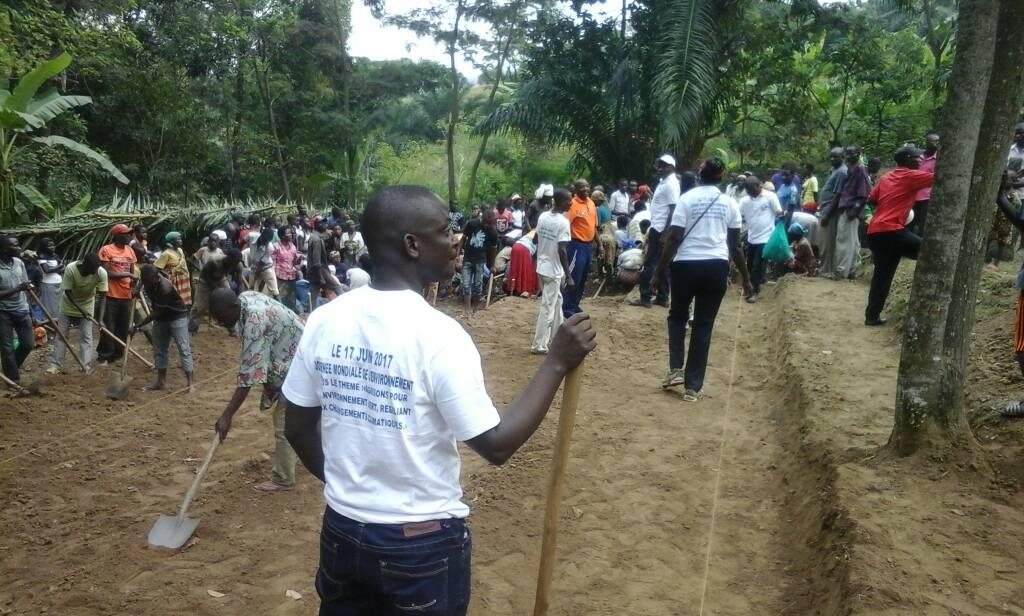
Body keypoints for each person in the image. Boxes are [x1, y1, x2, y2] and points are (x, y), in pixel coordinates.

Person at [280, 185, 596, 614]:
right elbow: (497, 445)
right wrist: (556, 363)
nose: (455, 242)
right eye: (445, 232)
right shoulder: (438, 335)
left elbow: (297, 426)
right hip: (419, 545)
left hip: (342, 531)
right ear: (413, 244)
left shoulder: (324, 320)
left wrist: (351, 491)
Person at [652, 158, 752, 401]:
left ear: (700, 174)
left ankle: (676, 368)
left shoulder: (687, 199)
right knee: (703, 325)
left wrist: (658, 272)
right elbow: (735, 246)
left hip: (685, 265)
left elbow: (674, 237)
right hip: (716, 266)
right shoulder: (730, 203)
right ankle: (693, 387)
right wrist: (747, 280)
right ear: (722, 175)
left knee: (677, 316)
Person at [211, 288, 304, 492]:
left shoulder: (255, 320)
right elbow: (260, 355)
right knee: (299, 416)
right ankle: (309, 454)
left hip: (298, 362)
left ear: (233, 307)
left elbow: (248, 376)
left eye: (220, 317)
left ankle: (283, 478)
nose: (219, 322)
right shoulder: (244, 299)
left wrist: (227, 415)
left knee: (284, 422)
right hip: (289, 352)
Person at [863, 146, 934, 326]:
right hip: (892, 230)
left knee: (882, 275)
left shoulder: (886, 177)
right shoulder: (910, 176)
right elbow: (940, 177)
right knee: (931, 252)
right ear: (908, 159)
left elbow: (871, 199)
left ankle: (872, 316)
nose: (921, 161)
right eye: (918, 158)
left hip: (875, 232)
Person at [132, 264, 194, 392]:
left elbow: (156, 313)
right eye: (145, 281)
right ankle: (161, 382)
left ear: (156, 278)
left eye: (149, 282)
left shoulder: (165, 287)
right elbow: (142, 280)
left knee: (183, 348)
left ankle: (190, 384)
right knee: (159, 349)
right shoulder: (147, 278)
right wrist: (137, 289)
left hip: (177, 316)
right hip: (161, 319)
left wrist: (137, 326)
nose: (147, 284)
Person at [47, 252, 108, 374]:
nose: (95, 271)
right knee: (61, 335)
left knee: (86, 336)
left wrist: (101, 319)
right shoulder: (71, 269)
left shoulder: (101, 272)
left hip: (87, 304)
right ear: (85, 265)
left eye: (97, 268)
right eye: (93, 268)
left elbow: (103, 297)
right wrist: (81, 310)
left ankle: (85, 365)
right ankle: (55, 366)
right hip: (68, 305)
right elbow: (68, 293)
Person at [531, 188, 574, 355]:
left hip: (542, 266)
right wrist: (569, 276)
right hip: (553, 271)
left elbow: (535, 238)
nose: (571, 203)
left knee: (557, 302)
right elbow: (562, 251)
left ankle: (558, 338)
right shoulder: (563, 223)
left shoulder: (543, 217)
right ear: (560, 201)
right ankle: (539, 345)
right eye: (569, 200)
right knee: (547, 308)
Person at [632, 155, 679, 308]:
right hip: (657, 226)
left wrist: (666, 232)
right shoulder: (663, 182)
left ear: (671, 167)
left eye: (664, 165)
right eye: (659, 165)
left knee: (651, 263)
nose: (660, 168)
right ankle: (663, 297)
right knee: (662, 263)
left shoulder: (671, 184)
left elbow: (673, 209)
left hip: (660, 229)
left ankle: (645, 296)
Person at [96, 224, 138, 366]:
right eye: (126, 234)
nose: (129, 236)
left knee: (123, 327)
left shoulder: (130, 251)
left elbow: (132, 272)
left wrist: (133, 284)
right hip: (110, 295)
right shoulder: (106, 250)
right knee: (109, 327)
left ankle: (118, 353)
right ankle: (104, 355)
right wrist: (127, 274)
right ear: (117, 236)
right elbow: (107, 273)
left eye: (129, 234)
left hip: (126, 295)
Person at [738, 175, 782, 303]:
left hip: (766, 237)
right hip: (751, 237)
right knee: (750, 265)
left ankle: (754, 291)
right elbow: (738, 214)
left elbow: (779, 212)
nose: (749, 192)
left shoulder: (770, 197)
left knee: (758, 266)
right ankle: (752, 286)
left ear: (758, 186)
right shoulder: (744, 201)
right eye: (747, 190)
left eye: (751, 189)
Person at [829, 146, 869, 280]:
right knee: (852, 241)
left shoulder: (860, 169)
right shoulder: (850, 169)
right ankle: (851, 269)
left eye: (852, 154)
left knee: (844, 240)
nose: (849, 156)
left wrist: (854, 210)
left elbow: (864, 194)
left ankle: (841, 271)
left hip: (850, 209)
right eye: (848, 154)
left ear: (858, 154)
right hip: (846, 208)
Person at [563, 178, 602, 317]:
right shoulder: (572, 204)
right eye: (581, 187)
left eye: (587, 186)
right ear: (576, 189)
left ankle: (574, 304)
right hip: (576, 245)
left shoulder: (591, 203)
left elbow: (594, 226)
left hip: (588, 246)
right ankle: (567, 306)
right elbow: (565, 224)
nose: (585, 189)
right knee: (574, 276)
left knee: (583, 276)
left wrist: (600, 244)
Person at [0, 235, 34, 385]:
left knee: (28, 344)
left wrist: (31, 310)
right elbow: (19, 287)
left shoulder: (19, 263)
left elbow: (26, 287)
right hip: (3, 312)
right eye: (15, 245)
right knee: (7, 347)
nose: (19, 248)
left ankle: (11, 368)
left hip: (21, 309)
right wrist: (17, 288)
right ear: (4, 249)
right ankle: (13, 380)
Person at [190, 248, 244, 334]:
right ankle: (192, 327)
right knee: (199, 306)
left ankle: (231, 326)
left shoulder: (238, 265)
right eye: (235, 261)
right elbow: (205, 276)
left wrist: (241, 296)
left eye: (238, 261)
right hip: (205, 281)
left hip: (221, 279)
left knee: (231, 303)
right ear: (229, 258)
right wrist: (217, 290)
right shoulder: (214, 260)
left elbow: (240, 283)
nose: (237, 263)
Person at [459, 209, 497, 316]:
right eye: (486, 222)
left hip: (480, 261)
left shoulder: (493, 232)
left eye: (490, 223)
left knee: (478, 285)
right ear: (482, 219)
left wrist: (492, 265)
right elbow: (463, 239)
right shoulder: (472, 223)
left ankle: (475, 309)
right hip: (468, 259)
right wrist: (458, 255)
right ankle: (467, 309)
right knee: (466, 284)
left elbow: (493, 249)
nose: (487, 225)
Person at [817, 147, 848, 278]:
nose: (832, 159)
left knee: (827, 243)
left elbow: (837, 195)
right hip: (824, 208)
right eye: (831, 156)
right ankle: (825, 268)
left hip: (830, 211)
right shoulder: (834, 170)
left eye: (835, 157)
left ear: (843, 157)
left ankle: (826, 270)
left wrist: (827, 213)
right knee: (824, 241)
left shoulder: (841, 172)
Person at [154, 232, 192, 306]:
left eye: (180, 238)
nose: (181, 240)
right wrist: (168, 275)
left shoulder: (180, 250)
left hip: (183, 279)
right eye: (178, 239)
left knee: (185, 301)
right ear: (172, 242)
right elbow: (157, 268)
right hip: (175, 281)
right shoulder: (166, 254)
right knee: (177, 301)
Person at [912, 133, 939, 234]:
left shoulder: (939, 159)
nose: (937, 144)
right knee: (909, 221)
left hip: (926, 197)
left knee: (923, 223)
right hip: (913, 194)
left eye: (938, 142)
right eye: (934, 141)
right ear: (927, 143)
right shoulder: (919, 157)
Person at [273, 226, 301, 312]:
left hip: (291, 276)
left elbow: (295, 261)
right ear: (282, 236)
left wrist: (299, 259)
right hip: (280, 276)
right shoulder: (276, 247)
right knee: (282, 298)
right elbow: (273, 262)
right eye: (288, 233)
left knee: (291, 299)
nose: (291, 234)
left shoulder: (292, 246)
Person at [36, 237, 63, 319]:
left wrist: (59, 268)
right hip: (49, 285)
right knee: (50, 306)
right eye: (49, 246)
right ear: (44, 247)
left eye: (53, 245)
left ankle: (58, 324)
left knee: (59, 305)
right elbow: (46, 270)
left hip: (59, 283)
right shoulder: (41, 256)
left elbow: (62, 268)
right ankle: (50, 325)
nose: (52, 247)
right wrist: (59, 267)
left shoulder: (55, 256)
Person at [506, 230, 539, 298]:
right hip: (524, 250)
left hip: (515, 246)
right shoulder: (541, 236)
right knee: (525, 270)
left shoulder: (532, 232)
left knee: (515, 269)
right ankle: (524, 290)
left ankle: (514, 288)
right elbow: (535, 260)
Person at [251, 228, 279, 298]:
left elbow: (261, 264)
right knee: (252, 290)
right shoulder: (252, 237)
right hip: (254, 266)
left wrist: (256, 274)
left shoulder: (270, 247)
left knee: (275, 291)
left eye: (268, 241)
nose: (266, 243)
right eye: (265, 240)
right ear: (261, 236)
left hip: (267, 268)